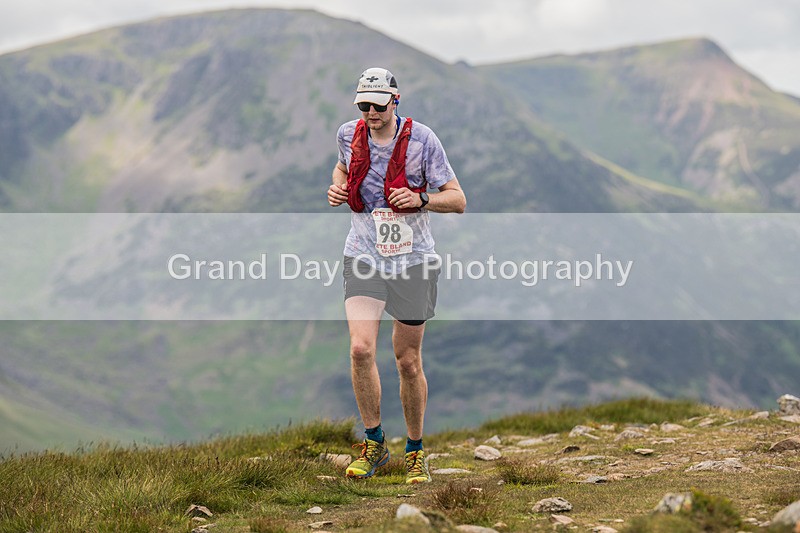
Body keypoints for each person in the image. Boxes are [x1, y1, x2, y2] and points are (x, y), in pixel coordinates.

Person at [327, 67, 466, 484]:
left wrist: (420, 198)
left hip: (413, 261)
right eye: (362, 105)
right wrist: (335, 187)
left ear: (396, 101)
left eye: (377, 104)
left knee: (407, 361)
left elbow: (458, 200)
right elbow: (340, 169)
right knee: (360, 349)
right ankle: (374, 445)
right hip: (363, 256)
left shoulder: (423, 140)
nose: (369, 112)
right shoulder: (347, 134)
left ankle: (416, 450)